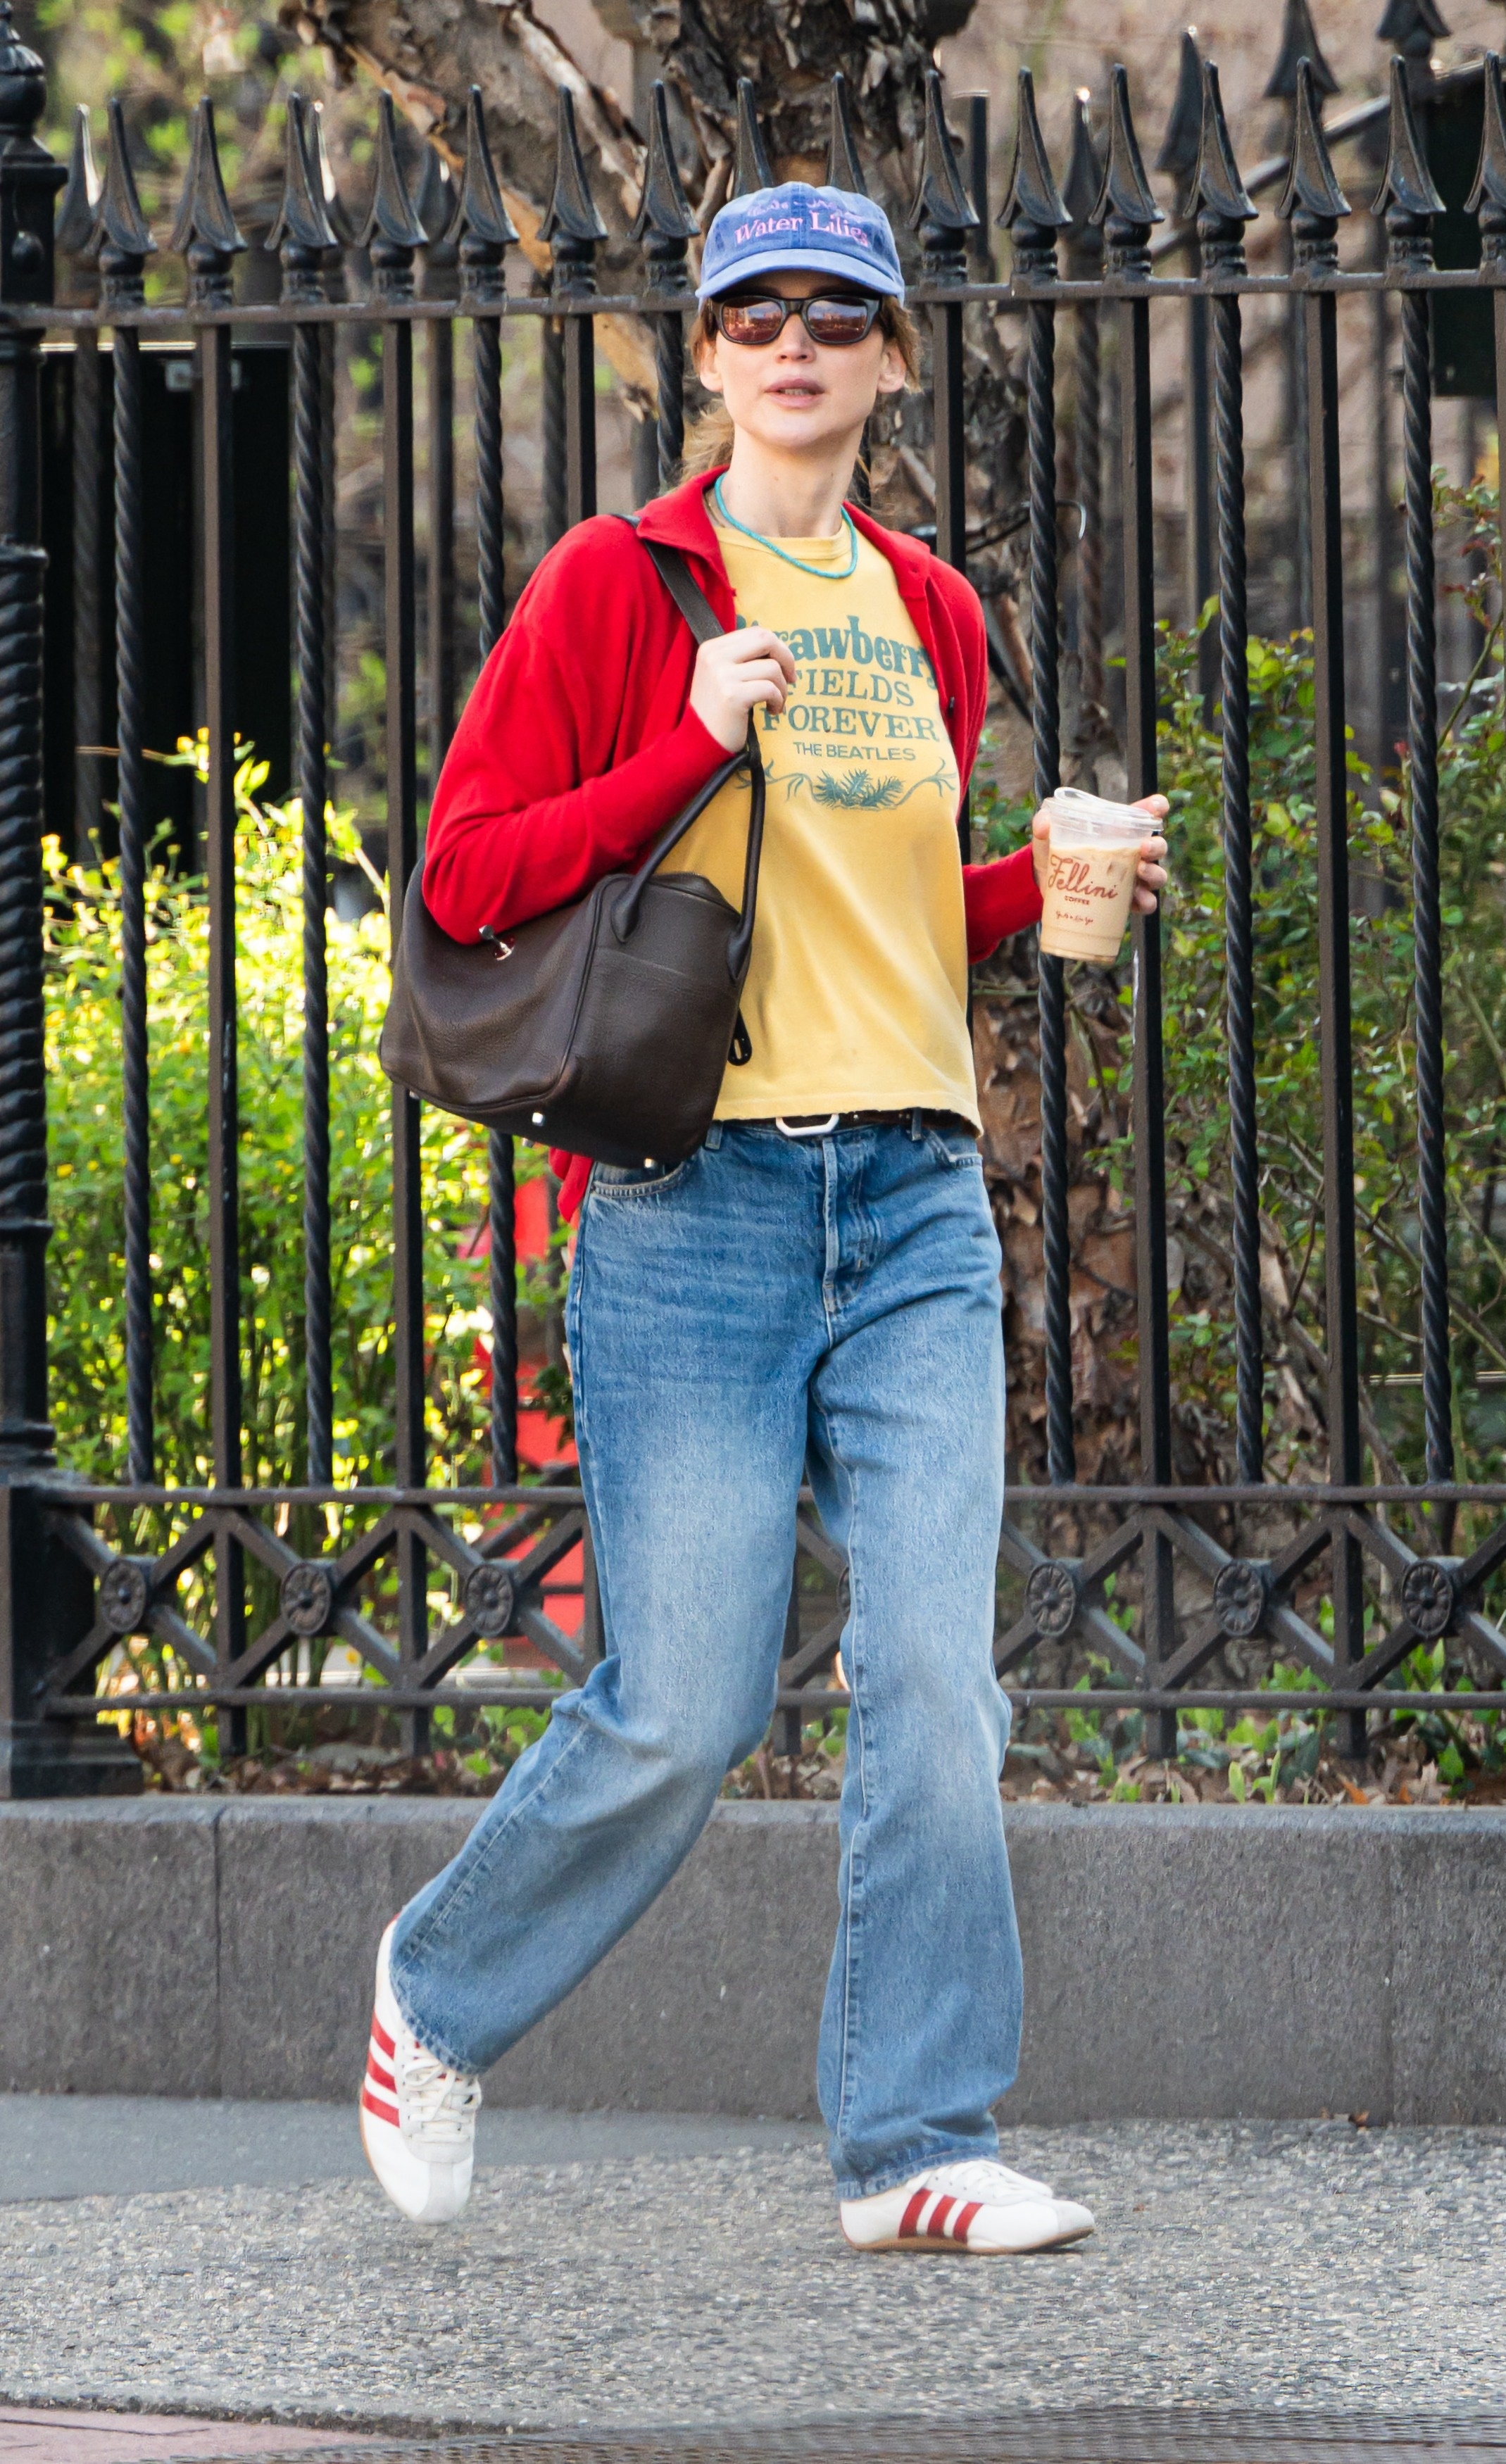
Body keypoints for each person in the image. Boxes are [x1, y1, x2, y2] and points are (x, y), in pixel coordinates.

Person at [358, 182, 1168, 2252]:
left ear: (893, 354)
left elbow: (887, 910)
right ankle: (434, 1997)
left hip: (907, 1196)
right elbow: (467, 880)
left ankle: (914, 2141)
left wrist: (1046, 888)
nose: (793, 341)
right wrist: (681, 742)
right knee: (686, 1701)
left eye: (837, 310)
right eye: (753, 311)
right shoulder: (616, 583)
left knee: (932, 1676)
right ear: (700, 354)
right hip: (697, 1200)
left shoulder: (933, 612)